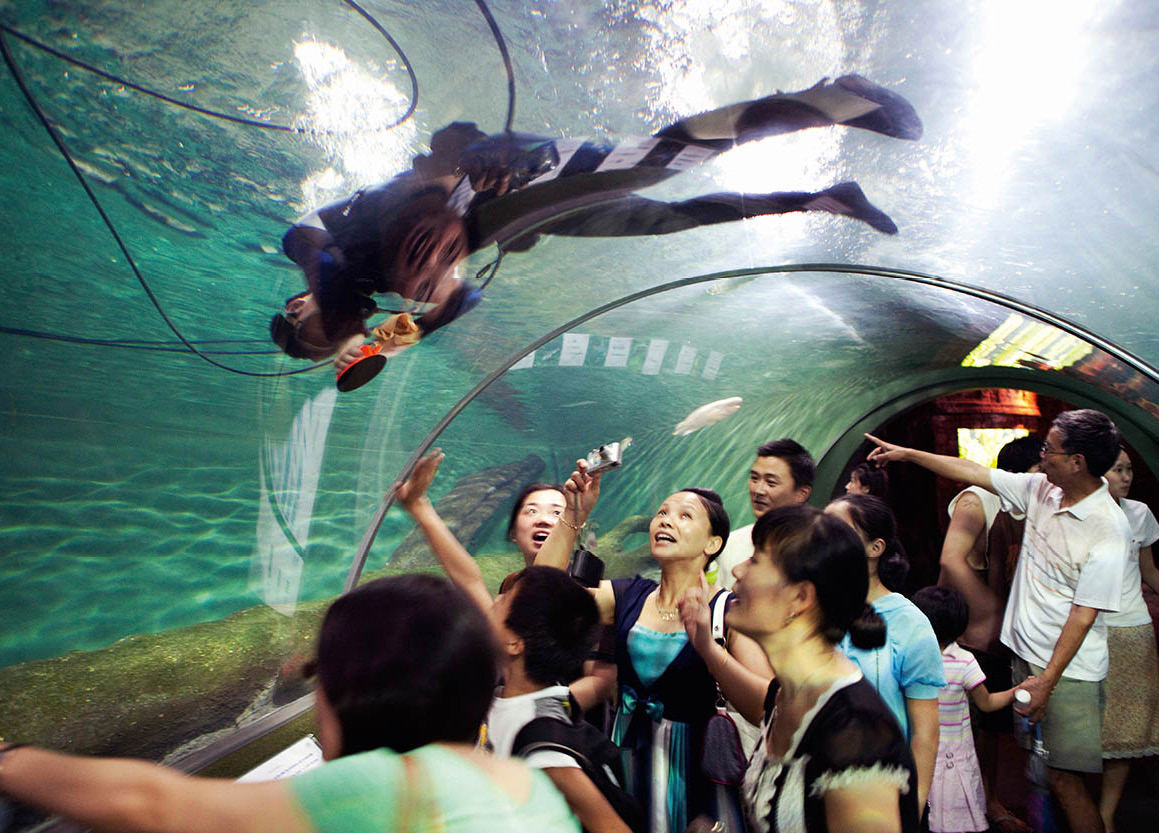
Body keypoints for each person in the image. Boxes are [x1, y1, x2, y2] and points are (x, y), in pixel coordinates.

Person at [272, 74, 923, 361]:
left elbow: (307, 234)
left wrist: (459, 177)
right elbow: (459, 296)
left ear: (303, 301)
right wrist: (403, 331)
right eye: (320, 346)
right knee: (664, 219)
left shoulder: (332, 244)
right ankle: (824, 198)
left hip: (500, 175)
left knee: (662, 158)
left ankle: (837, 99)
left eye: (309, 328)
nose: (327, 337)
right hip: (520, 221)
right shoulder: (387, 296)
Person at [0, 574, 579, 832]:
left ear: (356, 693)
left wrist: (9, 760)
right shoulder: (516, 782)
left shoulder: (386, 786)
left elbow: (150, 803)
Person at [865, 408, 1131, 832]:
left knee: (1066, 779)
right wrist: (908, 454)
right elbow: (972, 470)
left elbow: (1084, 615)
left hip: (1067, 673)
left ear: (1077, 461)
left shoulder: (1108, 528)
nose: (1043, 456)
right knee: (1043, 772)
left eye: (1051, 449)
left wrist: (1047, 681)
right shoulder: (1042, 490)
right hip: (1028, 661)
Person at [535, 460, 774, 832]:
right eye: (661, 512)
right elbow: (545, 593)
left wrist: (711, 651)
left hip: (692, 777)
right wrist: (573, 512)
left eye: (684, 515)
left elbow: (766, 706)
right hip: (624, 759)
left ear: (713, 543)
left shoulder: (726, 612)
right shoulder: (629, 594)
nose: (665, 520)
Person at [692, 504, 919, 831]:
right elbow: (763, 701)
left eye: (755, 560)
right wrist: (707, 649)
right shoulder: (791, 694)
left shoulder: (857, 738)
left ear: (799, 598)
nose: (738, 571)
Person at [394, 451, 616, 724]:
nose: (543, 519)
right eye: (531, 510)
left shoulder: (594, 593)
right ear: (512, 532)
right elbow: (471, 582)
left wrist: (531, 713)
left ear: (576, 525)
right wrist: (419, 506)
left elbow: (602, 681)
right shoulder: (511, 585)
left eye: (556, 512)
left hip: (555, 730)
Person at [937, 434, 1042, 831]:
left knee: (991, 725)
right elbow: (952, 559)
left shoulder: (1024, 507)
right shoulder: (976, 500)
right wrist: (994, 613)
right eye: (1040, 470)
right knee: (966, 720)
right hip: (969, 631)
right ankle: (967, 803)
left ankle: (988, 797)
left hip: (995, 631)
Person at [824, 493, 943, 816]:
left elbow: (925, 732)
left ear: (875, 548)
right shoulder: (811, 610)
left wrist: (914, 804)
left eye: (837, 529)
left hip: (881, 796)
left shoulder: (909, 623)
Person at [910, 585, 1017, 833]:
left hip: (918, 747)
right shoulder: (964, 661)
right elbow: (987, 703)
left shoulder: (910, 657)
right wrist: (1015, 693)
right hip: (953, 755)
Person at [1098, 447, 1159, 832]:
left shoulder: (1140, 513)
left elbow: (1149, 570)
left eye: (1130, 469)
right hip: (1086, 632)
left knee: (1125, 732)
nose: (1126, 476)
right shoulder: (1074, 513)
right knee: (1087, 728)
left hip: (1133, 631)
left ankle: (1105, 814)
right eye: (1117, 469)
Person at [714, 438, 816, 591]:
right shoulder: (730, 545)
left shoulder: (819, 549)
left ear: (802, 493)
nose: (758, 490)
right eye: (754, 478)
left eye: (771, 482)